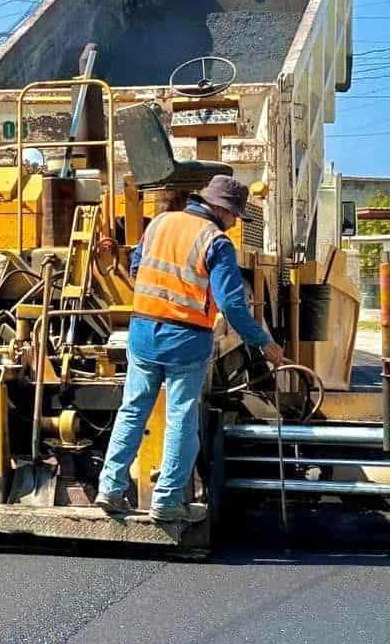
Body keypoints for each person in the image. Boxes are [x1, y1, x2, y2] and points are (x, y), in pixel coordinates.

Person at [96, 175, 285, 522]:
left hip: (141, 331)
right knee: (181, 417)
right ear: (222, 209)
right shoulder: (216, 241)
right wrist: (264, 343)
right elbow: (231, 303)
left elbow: (136, 267)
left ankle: (109, 487)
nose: (232, 224)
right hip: (185, 338)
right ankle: (166, 501)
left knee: (132, 410)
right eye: (234, 216)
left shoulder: (161, 223)